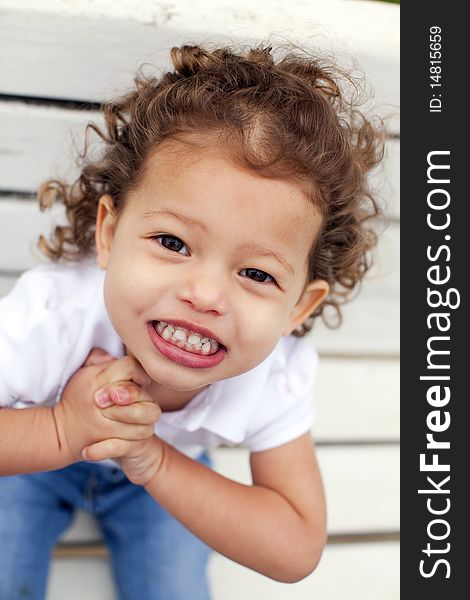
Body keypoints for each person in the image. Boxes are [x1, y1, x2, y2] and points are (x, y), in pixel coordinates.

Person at [0, 44, 384, 600]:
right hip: (31, 451)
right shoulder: (54, 318)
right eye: (173, 242)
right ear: (109, 234)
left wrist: (153, 462)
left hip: (168, 479)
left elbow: (295, 546)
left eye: (256, 273)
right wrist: (63, 428)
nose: (205, 295)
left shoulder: (273, 377)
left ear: (298, 308)